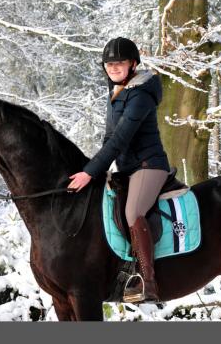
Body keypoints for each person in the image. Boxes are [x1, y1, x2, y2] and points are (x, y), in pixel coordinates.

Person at [67, 37, 171, 302]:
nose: (113, 68)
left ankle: (148, 283)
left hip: (149, 166)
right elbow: (109, 138)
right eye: (109, 64)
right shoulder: (116, 93)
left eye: (119, 63)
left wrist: (90, 171)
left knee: (133, 210)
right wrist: (96, 171)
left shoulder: (141, 94)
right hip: (128, 168)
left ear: (132, 64)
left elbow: (120, 139)